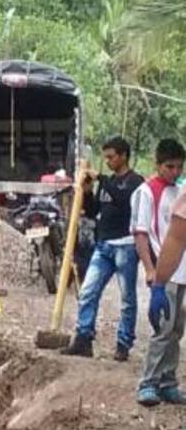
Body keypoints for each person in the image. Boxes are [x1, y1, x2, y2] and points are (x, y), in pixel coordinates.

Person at [60, 137, 143, 361]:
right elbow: (96, 209)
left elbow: (124, 200)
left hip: (126, 245)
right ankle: (84, 338)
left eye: (111, 157)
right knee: (88, 291)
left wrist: (101, 179)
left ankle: (123, 344)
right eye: (105, 157)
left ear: (124, 155)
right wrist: (87, 192)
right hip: (104, 244)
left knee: (127, 298)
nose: (107, 161)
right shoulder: (107, 184)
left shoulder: (135, 182)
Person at [133, 138, 186, 406]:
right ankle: (148, 381)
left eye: (179, 167)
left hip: (182, 271)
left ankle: (168, 380)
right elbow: (141, 233)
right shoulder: (147, 191)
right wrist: (151, 269)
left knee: (177, 329)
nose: (175, 172)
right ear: (158, 164)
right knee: (162, 328)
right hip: (165, 271)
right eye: (170, 166)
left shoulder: (180, 191)